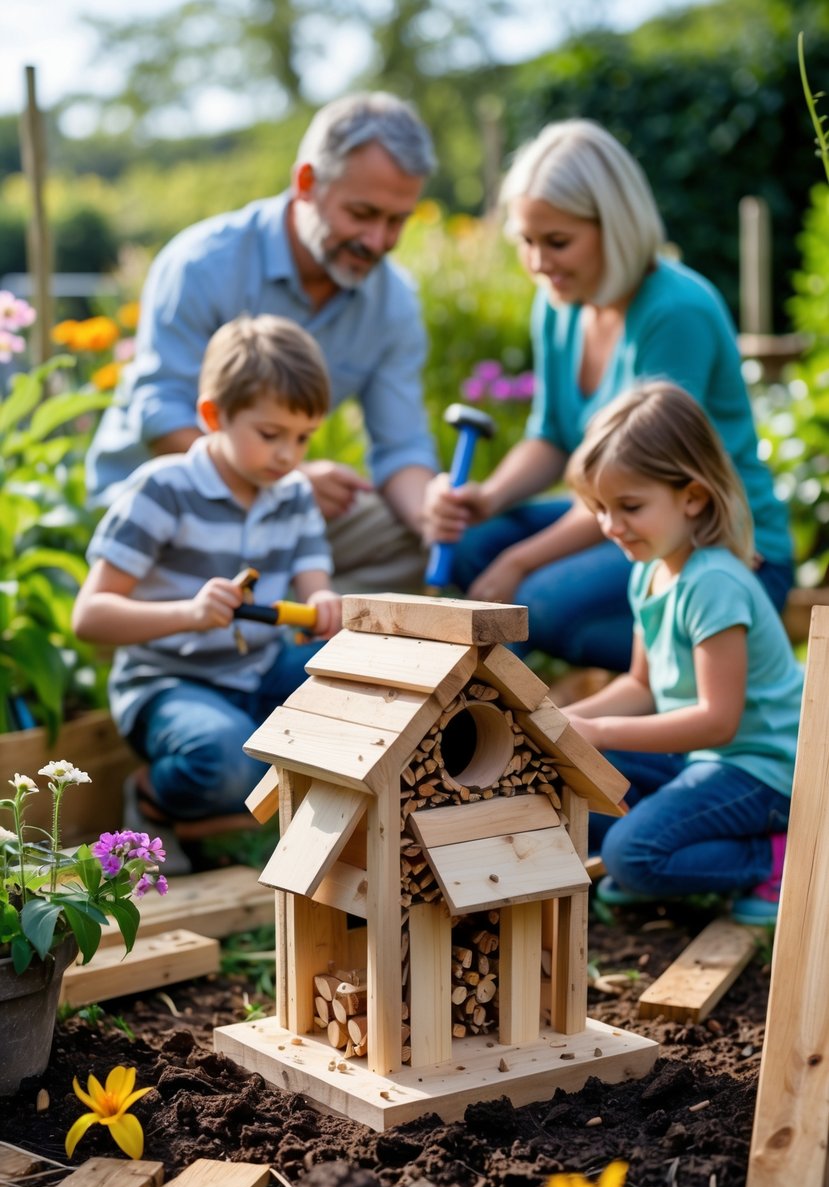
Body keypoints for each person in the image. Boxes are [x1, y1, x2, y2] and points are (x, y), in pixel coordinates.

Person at [421, 118, 793, 672]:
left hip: (722, 546)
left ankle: (684, 682)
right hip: (626, 517)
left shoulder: (674, 311)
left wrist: (521, 562)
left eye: (558, 242)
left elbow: (643, 486)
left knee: (531, 603)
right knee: (475, 548)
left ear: (614, 227)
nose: (540, 262)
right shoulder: (557, 303)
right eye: (526, 241)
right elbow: (550, 435)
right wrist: (489, 497)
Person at [86, 91, 439, 594]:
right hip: (164, 507)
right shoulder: (202, 264)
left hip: (278, 506)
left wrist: (433, 516)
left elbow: (401, 445)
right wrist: (287, 478)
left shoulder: (394, 302)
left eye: (397, 221)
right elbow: (164, 418)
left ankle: (286, 627)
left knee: (416, 544)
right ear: (307, 183)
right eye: (362, 213)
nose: (379, 240)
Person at [73, 315, 341, 870]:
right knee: (224, 760)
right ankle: (152, 797)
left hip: (258, 673)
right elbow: (89, 617)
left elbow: (317, 585)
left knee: (361, 686)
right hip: (169, 682)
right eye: (271, 435)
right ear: (214, 416)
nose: (289, 456)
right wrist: (189, 613)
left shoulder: (291, 494)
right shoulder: (162, 490)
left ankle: (294, 819)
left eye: (303, 438)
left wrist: (324, 608)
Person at [562, 380, 802, 927]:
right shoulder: (648, 572)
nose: (610, 526)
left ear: (692, 496)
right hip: (705, 760)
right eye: (599, 507)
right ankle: (672, 857)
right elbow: (642, 687)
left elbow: (718, 722)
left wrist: (598, 735)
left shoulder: (713, 583)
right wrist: (564, 722)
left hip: (765, 770)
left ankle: (780, 857)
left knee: (631, 854)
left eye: (629, 507)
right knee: (570, 792)